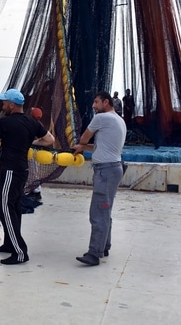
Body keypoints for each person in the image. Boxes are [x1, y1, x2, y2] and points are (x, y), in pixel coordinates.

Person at [0, 89, 55, 265]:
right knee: (15, 208)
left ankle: (20, 252)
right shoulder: (32, 122)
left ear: (11, 104)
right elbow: (49, 140)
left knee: (6, 208)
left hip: (9, 171)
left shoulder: (4, 122)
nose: (2, 105)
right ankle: (9, 245)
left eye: (4, 103)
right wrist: (31, 143)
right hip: (22, 171)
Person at [72, 91, 126, 266]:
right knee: (105, 209)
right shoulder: (118, 120)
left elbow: (84, 137)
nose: (94, 106)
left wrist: (80, 143)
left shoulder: (101, 119)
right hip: (115, 168)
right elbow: (99, 146)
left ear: (106, 102)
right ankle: (104, 246)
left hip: (105, 171)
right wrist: (83, 147)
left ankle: (94, 254)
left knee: (98, 212)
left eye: (96, 102)